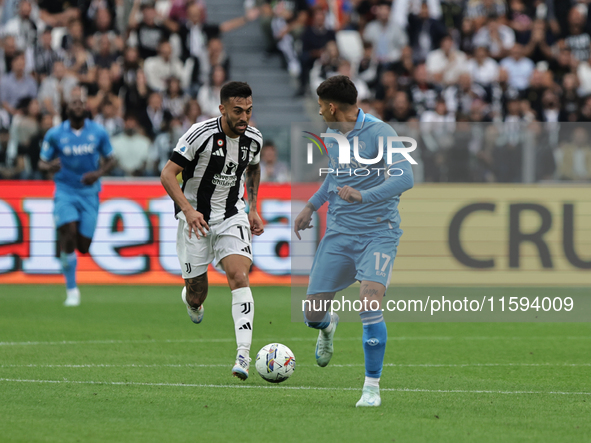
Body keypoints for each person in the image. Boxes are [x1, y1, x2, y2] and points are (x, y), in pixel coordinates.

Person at [293, 76, 414, 407]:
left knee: (369, 305)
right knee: (312, 314)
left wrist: (365, 195)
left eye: (320, 106)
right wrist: (310, 206)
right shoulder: (332, 136)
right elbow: (335, 176)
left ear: (332, 107)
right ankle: (327, 326)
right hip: (339, 233)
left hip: (379, 232)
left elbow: (406, 177)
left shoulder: (380, 132)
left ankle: (371, 388)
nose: (319, 113)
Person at [160, 81, 264, 380]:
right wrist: (189, 210)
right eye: (237, 111)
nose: (244, 117)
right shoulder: (199, 135)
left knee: (239, 276)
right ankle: (191, 301)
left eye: (249, 110)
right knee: (197, 292)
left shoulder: (253, 138)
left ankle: (243, 355)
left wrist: (253, 207)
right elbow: (168, 174)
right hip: (195, 220)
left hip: (232, 215)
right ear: (222, 109)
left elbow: (254, 167)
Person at [38, 90, 116, 306]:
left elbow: (111, 159)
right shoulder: (55, 134)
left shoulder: (98, 132)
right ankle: (72, 290)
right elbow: (41, 162)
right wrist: (49, 166)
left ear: (86, 107)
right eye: (74, 103)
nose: (78, 106)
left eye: (81, 103)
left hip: (89, 193)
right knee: (69, 233)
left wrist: (98, 174)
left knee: (83, 246)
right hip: (65, 190)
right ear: (67, 108)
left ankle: (64, 243)